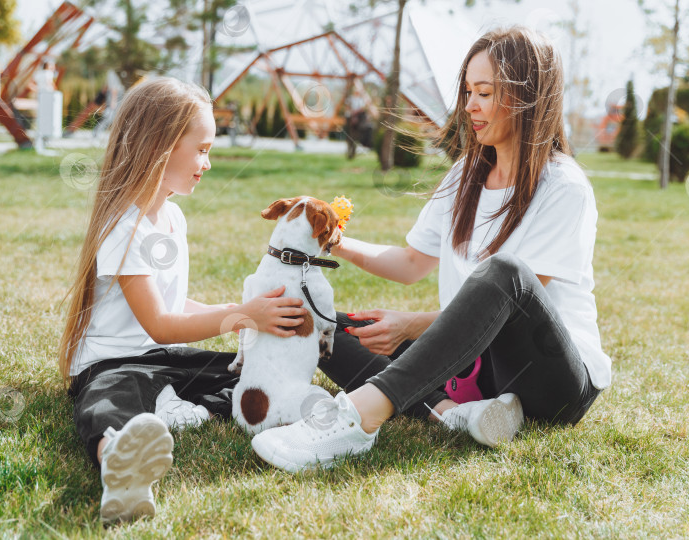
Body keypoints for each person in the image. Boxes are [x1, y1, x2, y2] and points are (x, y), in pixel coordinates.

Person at [251, 26, 612, 472]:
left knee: (506, 273)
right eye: (466, 91)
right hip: (478, 371)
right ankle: (454, 413)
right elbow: (409, 264)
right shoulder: (466, 174)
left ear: (527, 98)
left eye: (484, 92)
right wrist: (334, 240)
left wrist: (413, 326)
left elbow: (512, 305)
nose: (469, 106)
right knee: (331, 329)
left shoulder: (564, 187)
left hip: (551, 381)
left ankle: (360, 416)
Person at [58, 77, 308, 521]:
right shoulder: (123, 227)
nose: (207, 163)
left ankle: (170, 404)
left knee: (248, 373)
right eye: (202, 149)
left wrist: (245, 314)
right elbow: (159, 322)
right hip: (112, 364)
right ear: (161, 145)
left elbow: (175, 303)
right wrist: (240, 316)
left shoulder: (171, 216)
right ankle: (118, 460)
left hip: (162, 357)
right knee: (112, 401)